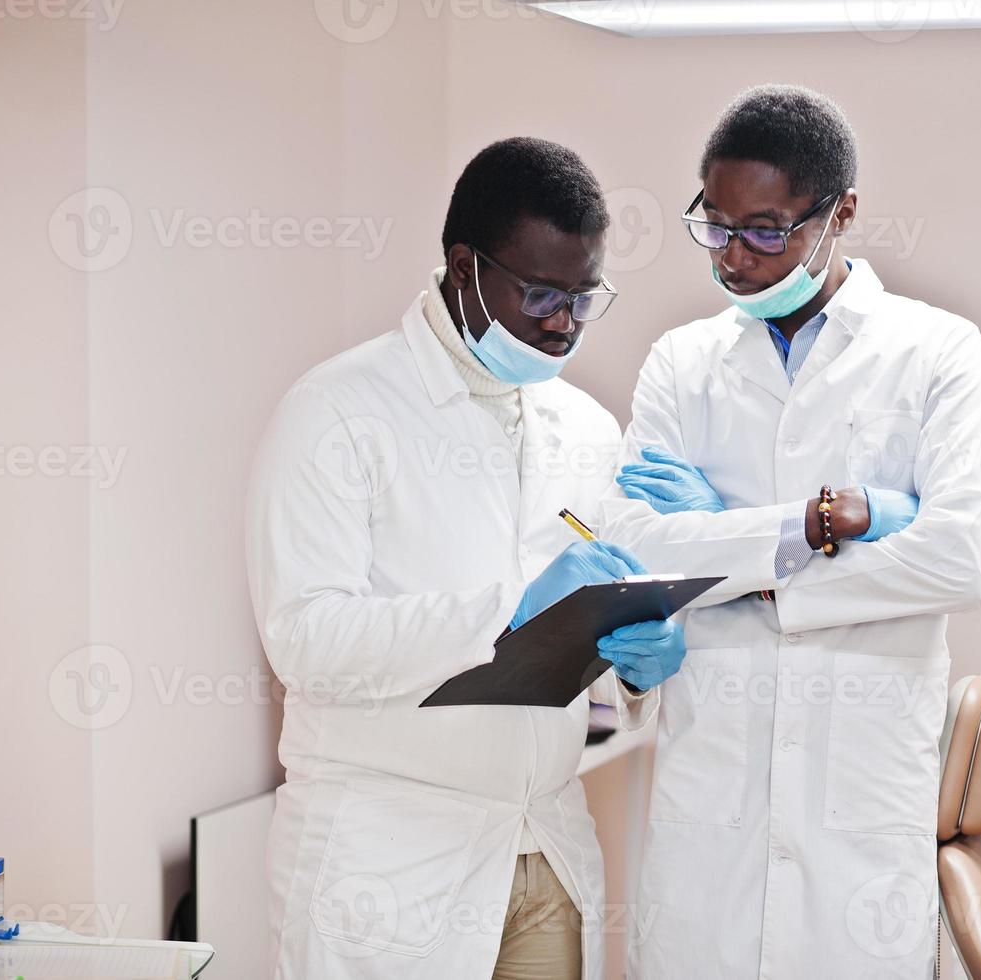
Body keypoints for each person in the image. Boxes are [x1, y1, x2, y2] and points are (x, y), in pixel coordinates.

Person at [245, 137, 685, 980]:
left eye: (584, 297)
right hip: (388, 858)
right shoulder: (338, 411)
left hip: (543, 843)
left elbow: (590, 637)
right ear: (462, 267)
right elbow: (303, 639)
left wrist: (635, 668)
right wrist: (505, 612)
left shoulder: (587, 428)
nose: (563, 322)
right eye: (541, 293)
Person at [596, 85, 981, 977]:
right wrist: (817, 526)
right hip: (712, 815)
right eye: (715, 225)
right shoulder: (681, 364)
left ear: (840, 213)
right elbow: (639, 545)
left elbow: (957, 559)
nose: (732, 259)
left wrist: (734, 552)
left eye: (767, 230)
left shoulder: (937, 353)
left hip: (858, 809)